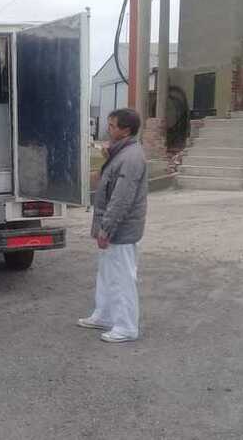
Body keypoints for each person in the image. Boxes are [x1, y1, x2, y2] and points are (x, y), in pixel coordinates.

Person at [79, 108, 148, 343]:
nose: (107, 129)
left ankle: (127, 326)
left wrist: (106, 228)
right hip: (113, 228)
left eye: (111, 126)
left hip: (121, 229)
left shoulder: (131, 157)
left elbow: (122, 198)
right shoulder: (121, 153)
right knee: (107, 274)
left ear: (125, 130)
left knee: (122, 278)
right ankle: (105, 315)